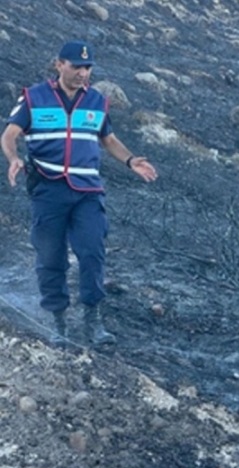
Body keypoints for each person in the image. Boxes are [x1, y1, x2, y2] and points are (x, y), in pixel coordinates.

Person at [2, 40, 158, 346]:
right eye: (76, 66)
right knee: (51, 256)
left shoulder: (97, 101)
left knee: (92, 252)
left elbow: (108, 139)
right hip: (48, 188)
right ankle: (58, 322)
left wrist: (130, 160)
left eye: (87, 67)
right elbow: (9, 135)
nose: (82, 73)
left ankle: (92, 320)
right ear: (59, 64)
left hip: (87, 190)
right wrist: (14, 158)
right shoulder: (34, 97)